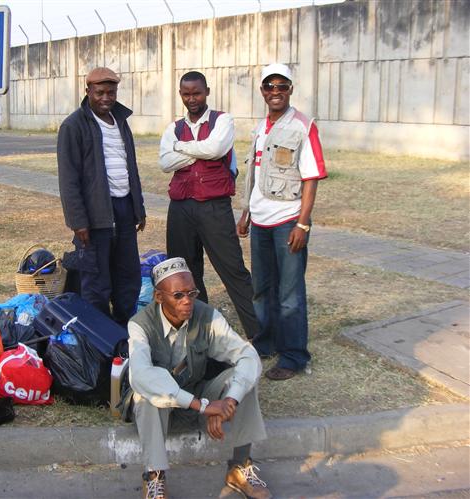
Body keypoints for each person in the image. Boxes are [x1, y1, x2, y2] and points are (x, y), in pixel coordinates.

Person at [125, 257, 270, 499]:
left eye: (192, 293)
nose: (187, 302)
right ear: (159, 297)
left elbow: (247, 355)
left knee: (242, 378)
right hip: (165, 410)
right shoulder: (139, 325)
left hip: (198, 394)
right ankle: (154, 479)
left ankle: (239, 467)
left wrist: (228, 403)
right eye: (178, 295)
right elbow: (141, 375)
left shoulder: (206, 315)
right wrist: (203, 406)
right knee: (147, 390)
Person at [236, 63, 327, 381]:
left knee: (289, 295)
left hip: (288, 221)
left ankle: (293, 356)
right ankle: (265, 343)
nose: (275, 92)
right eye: (269, 86)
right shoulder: (261, 127)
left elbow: (312, 177)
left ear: (290, 89)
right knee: (262, 289)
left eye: (282, 86)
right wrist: (246, 212)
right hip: (260, 221)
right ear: (262, 91)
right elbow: (255, 173)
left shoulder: (303, 125)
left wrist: (303, 224)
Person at [158, 71, 260, 340]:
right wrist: (198, 151)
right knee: (185, 272)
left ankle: (259, 334)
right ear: (181, 94)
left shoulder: (222, 120)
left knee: (233, 269)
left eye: (197, 92)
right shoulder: (174, 127)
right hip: (180, 208)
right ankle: (197, 331)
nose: (192, 98)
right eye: (186, 93)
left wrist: (181, 148)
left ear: (207, 91)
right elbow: (165, 163)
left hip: (214, 207)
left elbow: (216, 149)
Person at [57, 67, 146, 326]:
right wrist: (78, 221)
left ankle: (123, 330)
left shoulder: (120, 121)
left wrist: (137, 208)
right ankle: (99, 337)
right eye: (100, 93)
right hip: (94, 214)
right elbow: (68, 179)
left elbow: (131, 166)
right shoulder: (73, 126)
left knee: (128, 276)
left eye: (111, 92)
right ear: (88, 92)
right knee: (96, 281)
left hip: (124, 209)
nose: (106, 98)